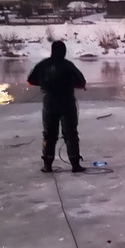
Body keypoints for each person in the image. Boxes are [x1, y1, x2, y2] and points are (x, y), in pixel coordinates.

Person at [27, 40, 87, 173]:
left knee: (49, 135)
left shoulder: (43, 65)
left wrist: (45, 83)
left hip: (50, 102)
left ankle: (47, 165)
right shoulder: (68, 65)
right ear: (64, 52)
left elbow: (31, 80)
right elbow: (81, 82)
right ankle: (75, 164)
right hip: (67, 102)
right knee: (70, 134)